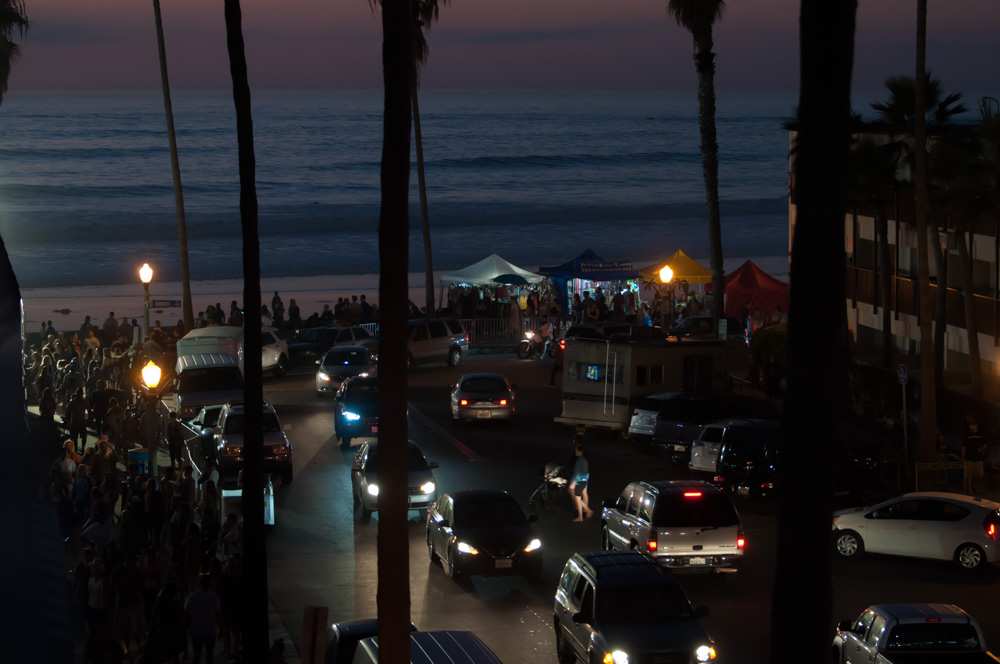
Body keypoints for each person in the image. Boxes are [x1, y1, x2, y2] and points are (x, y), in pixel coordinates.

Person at [186, 574, 221, 664]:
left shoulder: (192, 597)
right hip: (210, 630)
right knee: (209, 656)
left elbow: (187, 614)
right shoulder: (213, 597)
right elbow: (218, 614)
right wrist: (219, 627)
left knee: (197, 656)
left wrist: (187, 628)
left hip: (196, 630)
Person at [568, 439, 593, 522]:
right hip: (585, 478)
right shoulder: (584, 459)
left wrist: (573, 483)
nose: (575, 452)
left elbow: (577, 473)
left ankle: (584, 513)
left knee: (578, 498)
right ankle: (586, 511)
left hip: (580, 480)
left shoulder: (579, 460)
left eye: (576, 451)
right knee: (584, 494)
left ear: (579, 451)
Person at [963, 416, 986, 494]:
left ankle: (975, 487)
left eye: (973, 425)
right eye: (970, 425)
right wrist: (963, 457)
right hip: (969, 458)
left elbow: (985, 444)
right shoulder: (967, 435)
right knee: (969, 475)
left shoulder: (981, 435)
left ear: (976, 426)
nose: (971, 427)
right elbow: (964, 446)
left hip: (978, 458)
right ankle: (970, 490)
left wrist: (982, 449)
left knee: (980, 474)